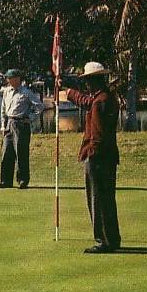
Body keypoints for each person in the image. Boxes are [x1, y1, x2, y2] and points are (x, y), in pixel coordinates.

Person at [63, 62, 121, 253]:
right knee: (106, 199)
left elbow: (97, 134)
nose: (87, 84)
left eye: (88, 80)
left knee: (98, 199)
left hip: (98, 158)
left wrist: (91, 154)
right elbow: (86, 102)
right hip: (107, 157)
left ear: (94, 81)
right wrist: (68, 92)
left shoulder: (100, 101)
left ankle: (103, 240)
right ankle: (111, 239)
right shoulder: (104, 98)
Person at [0, 68, 44, 189]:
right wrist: (2, 125)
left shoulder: (26, 92)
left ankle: (22, 180)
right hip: (9, 124)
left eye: (10, 78)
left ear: (17, 79)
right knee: (7, 152)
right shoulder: (7, 91)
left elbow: (40, 107)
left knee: (21, 153)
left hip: (21, 124)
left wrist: (30, 117)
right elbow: (3, 110)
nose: (8, 80)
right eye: (8, 78)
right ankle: (6, 180)